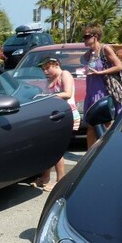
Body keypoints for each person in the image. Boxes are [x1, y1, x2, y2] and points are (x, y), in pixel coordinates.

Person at [33, 56, 81, 191]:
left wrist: (46, 97)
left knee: (56, 148)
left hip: (66, 114)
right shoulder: (50, 80)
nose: (46, 71)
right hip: (55, 115)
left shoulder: (64, 74)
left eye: (47, 68)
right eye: (44, 69)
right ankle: (45, 176)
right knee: (47, 146)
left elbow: (67, 93)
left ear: (56, 64)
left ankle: (60, 180)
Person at [81, 23, 122, 148]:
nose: (84, 39)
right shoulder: (88, 54)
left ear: (95, 36)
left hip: (103, 93)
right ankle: (89, 155)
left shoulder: (105, 49)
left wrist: (100, 72)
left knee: (106, 125)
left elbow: (120, 66)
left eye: (86, 36)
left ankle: (107, 151)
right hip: (91, 93)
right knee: (90, 127)